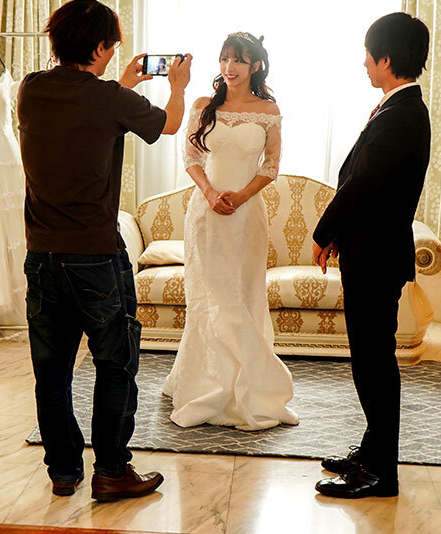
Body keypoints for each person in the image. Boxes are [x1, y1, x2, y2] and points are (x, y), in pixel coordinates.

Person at [16, 0, 192, 501]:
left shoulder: (31, 89)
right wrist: (177, 87)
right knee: (115, 364)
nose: (115, 53)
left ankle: (63, 470)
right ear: (98, 47)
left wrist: (123, 84)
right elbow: (169, 124)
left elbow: (82, 109)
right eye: (111, 46)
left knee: (52, 372)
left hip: (43, 256)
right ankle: (112, 470)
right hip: (94, 255)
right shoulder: (110, 98)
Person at [312, 12, 431, 499]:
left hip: (377, 257)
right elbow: (371, 186)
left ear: (386, 57)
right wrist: (343, 235)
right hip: (371, 249)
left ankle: (381, 472)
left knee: (375, 365)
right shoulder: (398, 107)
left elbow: (362, 184)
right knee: (370, 361)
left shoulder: (402, 114)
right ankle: (371, 452)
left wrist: (324, 231)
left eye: (367, 53)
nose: (363, 63)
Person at [162, 32, 299, 431]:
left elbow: (270, 166)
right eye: (224, 59)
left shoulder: (268, 110)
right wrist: (210, 194)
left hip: (246, 215)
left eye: (238, 60)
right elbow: (191, 157)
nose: (229, 67)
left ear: (255, 65)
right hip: (205, 214)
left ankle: (248, 386)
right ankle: (205, 382)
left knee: (242, 295)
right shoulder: (204, 106)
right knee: (208, 297)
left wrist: (240, 197)